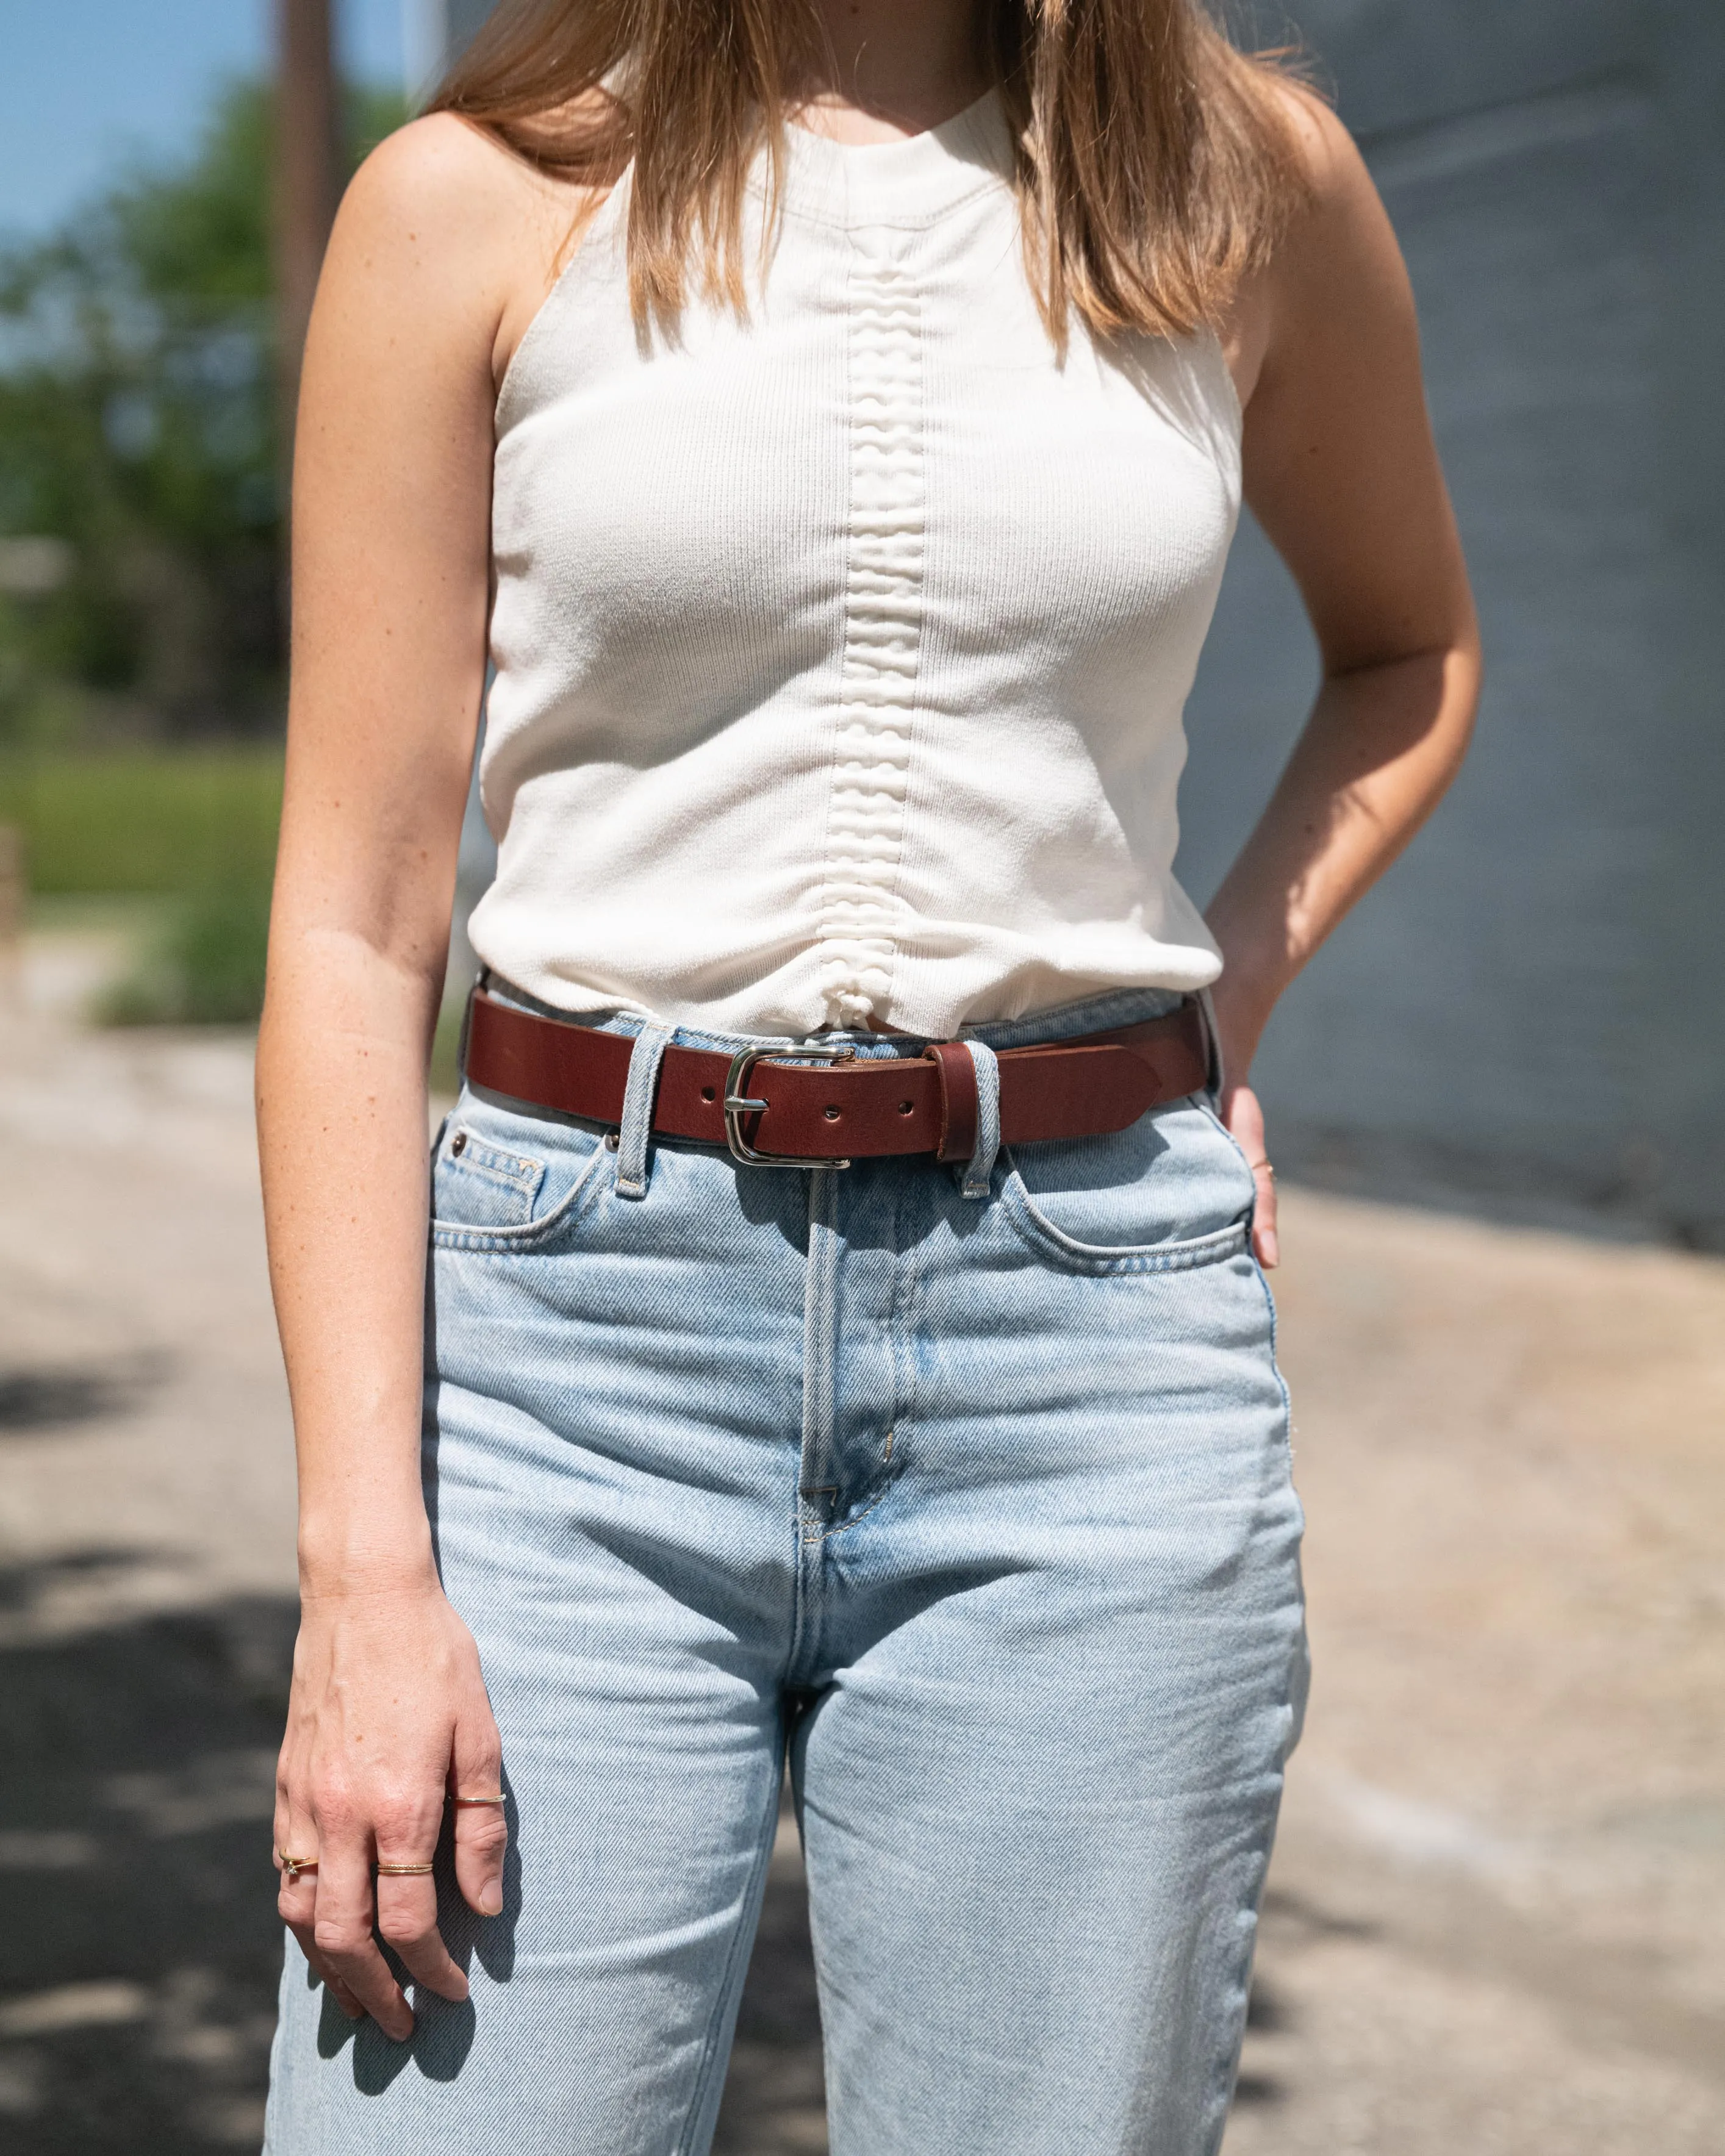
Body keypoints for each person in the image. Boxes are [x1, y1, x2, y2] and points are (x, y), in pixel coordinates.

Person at [257, 0, 1479, 2147]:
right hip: (570, 1373)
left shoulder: (1242, 181)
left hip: (1091, 1355)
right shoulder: (477, 200)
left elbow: (1411, 652)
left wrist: (1221, 1019)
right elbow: (353, 924)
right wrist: (364, 1575)